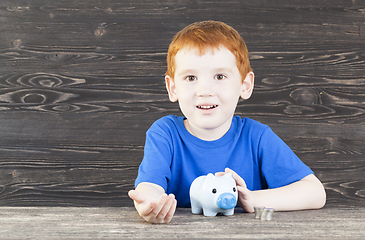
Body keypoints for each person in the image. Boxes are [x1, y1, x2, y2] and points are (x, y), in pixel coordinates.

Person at [128, 20, 326, 224]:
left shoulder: (256, 137)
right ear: (172, 88)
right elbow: (149, 186)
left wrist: (253, 199)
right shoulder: (164, 133)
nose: (204, 90)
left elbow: (315, 192)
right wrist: (150, 203)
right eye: (190, 78)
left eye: (220, 76)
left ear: (245, 85)